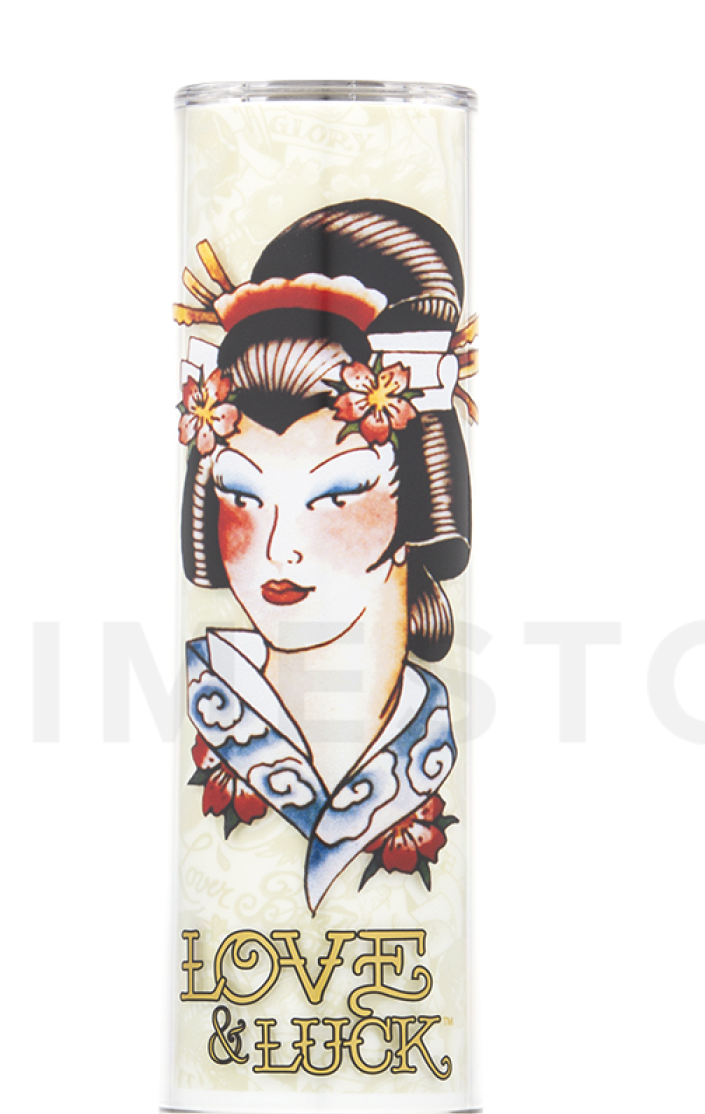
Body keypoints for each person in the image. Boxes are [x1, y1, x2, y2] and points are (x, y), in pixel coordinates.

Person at [175, 200, 475, 911]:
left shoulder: (439, 737)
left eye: (338, 494)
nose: (279, 548)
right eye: (241, 494)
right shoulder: (196, 700)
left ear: (416, 503)